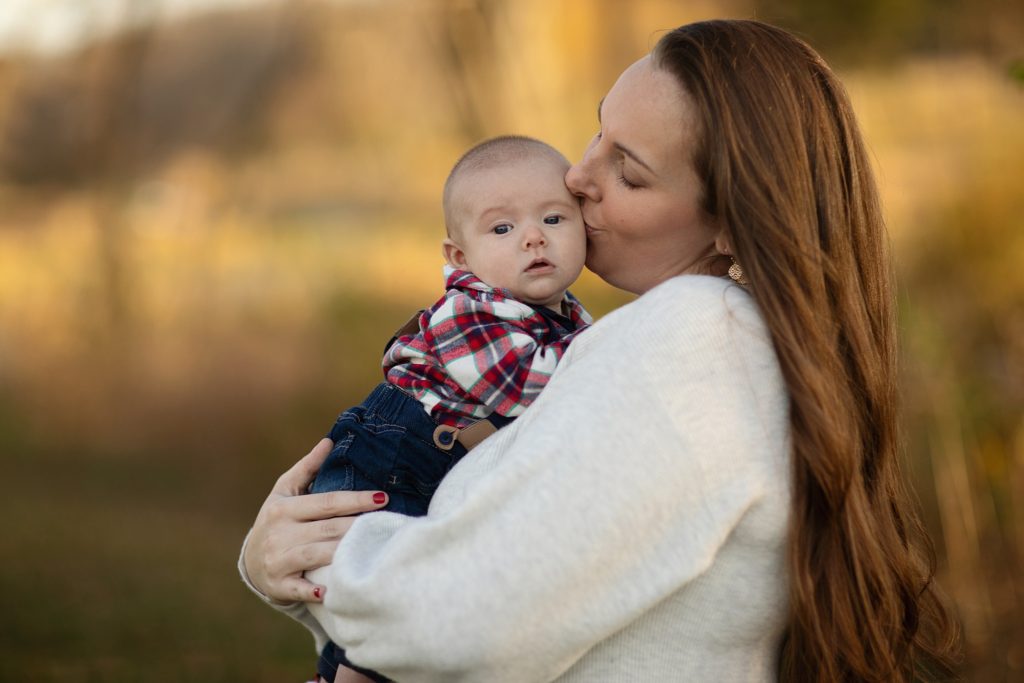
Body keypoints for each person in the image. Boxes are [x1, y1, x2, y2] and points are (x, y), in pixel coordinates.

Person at [241, 19, 959, 682]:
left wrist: (300, 564)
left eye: (630, 171)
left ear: (735, 224)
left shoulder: (689, 341)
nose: (578, 177)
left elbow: (456, 617)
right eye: (597, 135)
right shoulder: (737, 347)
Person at [306, 135, 591, 682]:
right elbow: (531, 386)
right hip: (392, 458)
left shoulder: (564, 314)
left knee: (404, 619)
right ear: (460, 257)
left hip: (437, 459)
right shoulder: (467, 311)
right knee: (384, 616)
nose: (533, 238)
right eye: (502, 228)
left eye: (554, 218)